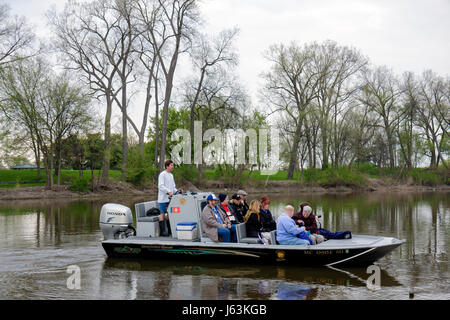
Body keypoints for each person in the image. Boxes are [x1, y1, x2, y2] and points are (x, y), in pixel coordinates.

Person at [157, 159, 183, 236]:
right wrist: (168, 191)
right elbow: (160, 186)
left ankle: (169, 230)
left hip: (170, 198)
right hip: (163, 198)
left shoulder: (171, 175)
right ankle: (162, 232)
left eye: (173, 165)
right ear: (167, 166)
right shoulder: (162, 174)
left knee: (169, 214)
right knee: (162, 214)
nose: (173, 167)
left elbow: (173, 187)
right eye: (171, 165)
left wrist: (177, 191)